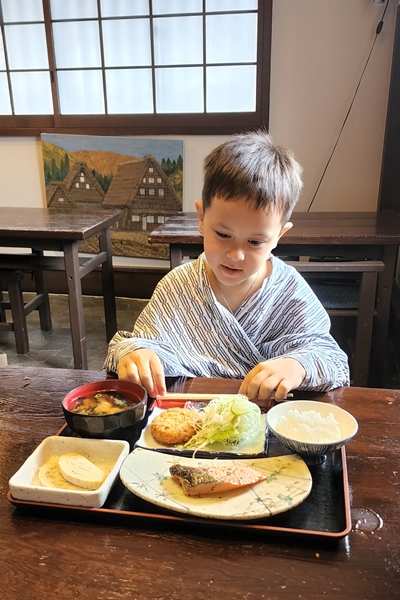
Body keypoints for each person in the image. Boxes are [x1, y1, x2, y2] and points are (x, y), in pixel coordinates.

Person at [104, 130, 350, 401]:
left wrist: (297, 366)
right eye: (223, 235)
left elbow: (331, 360)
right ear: (201, 218)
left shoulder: (290, 292)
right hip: (186, 416)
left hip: (265, 419)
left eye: (255, 242)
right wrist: (134, 354)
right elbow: (136, 345)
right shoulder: (178, 286)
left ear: (279, 236)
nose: (236, 255)